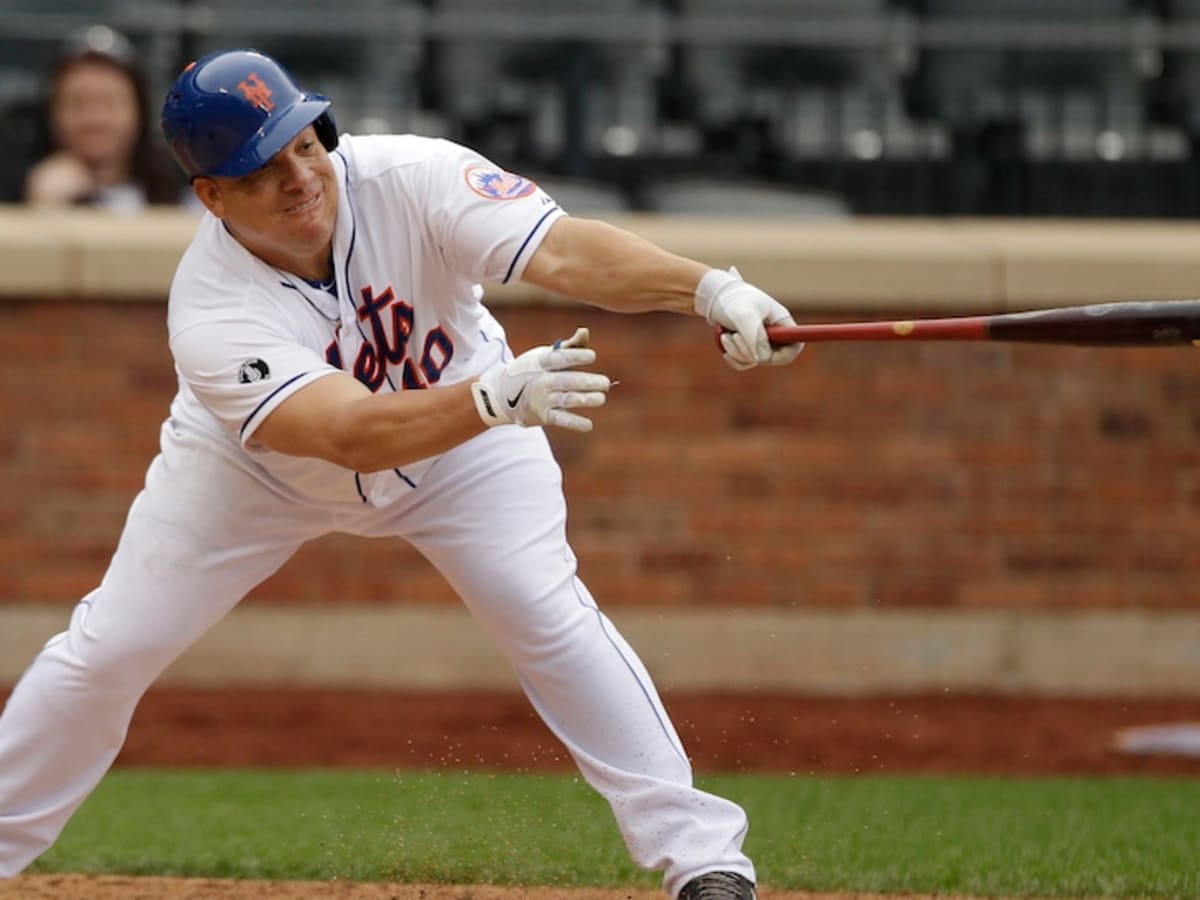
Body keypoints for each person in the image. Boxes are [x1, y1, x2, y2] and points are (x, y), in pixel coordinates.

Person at [0, 49, 800, 900]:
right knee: (107, 650)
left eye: (305, 142)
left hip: (471, 444)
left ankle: (707, 861)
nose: (301, 174)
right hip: (256, 473)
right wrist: (486, 401)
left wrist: (710, 291)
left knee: (545, 612)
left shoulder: (414, 175)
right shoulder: (211, 308)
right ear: (212, 195)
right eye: (263, 167)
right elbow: (345, 434)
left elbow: (566, 254)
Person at [22, 25, 181, 211]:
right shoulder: (17, 190)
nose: (94, 119)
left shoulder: (187, 191)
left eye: (109, 103)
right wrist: (40, 205)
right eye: (76, 104)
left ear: (140, 111)